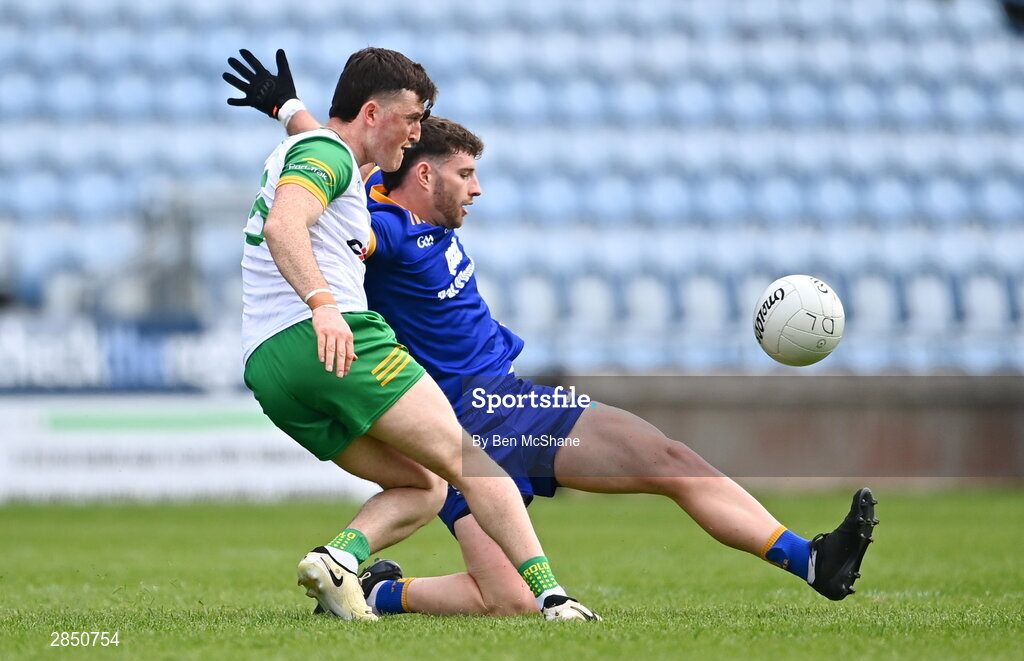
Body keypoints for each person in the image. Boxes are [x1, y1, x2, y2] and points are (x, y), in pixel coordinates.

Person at [225, 50, 878, 617]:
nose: (476, 190)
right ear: (422, 174)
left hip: (473, 417)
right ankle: (796, 563)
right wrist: (321, 300)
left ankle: (376, 592)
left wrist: (288, 107)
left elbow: (338, 155)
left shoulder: (378, 192)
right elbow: (330, 216)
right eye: (463, 174)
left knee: (516, 589)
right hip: (487, 410)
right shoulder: (383, 228)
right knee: (658, 472)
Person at [227, 47, 598, 622]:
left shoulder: (324, 152)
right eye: (412, 118)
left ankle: (337, 560)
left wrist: (285, 107)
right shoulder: (329, 153)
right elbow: (284, 224)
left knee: (423, 485)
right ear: (373, 113)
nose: (417, 132)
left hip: (269, 366)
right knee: (468, 461)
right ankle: (553, 598)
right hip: (332, 336)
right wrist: (324, 305)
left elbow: (327, 149)